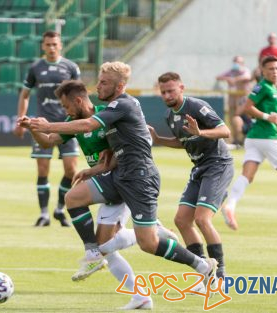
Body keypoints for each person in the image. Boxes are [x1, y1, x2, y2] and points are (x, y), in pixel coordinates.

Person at [28, 62, 218, 309]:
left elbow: (88, 126)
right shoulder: (111, 107)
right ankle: (106, 265)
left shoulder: (122, 104)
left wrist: (47, 125)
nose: (99, 86)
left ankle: (203, 265)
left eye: (104, 82)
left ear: (118, 86)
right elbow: (118, 145)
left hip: (139, 177)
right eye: (99, 80)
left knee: (148, 244)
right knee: (75, 200)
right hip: (120, 176)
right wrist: (96, 167)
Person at [149, 72, 233, 292]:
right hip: (199, 168)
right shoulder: (170, 115)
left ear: (181, 88)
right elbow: (182, 142)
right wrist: (158, 140)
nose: (167, 95)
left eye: (171, 90)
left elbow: (225, 131)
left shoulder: (196, 107)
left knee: (202, 219)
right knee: (182, 220)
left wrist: (201, 132)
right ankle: (206, 273)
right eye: (163, 91)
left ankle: (221, 275)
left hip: (217, 165)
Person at [222, 56, 277, 230]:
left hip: (254, 138)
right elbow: (247, 107)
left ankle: (230, 206)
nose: (275, 72)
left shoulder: (270, 88)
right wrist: (269, 117)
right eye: (270, 69)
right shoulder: (263, 86)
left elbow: (260, 109)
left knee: (247, 175)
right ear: (262, 70)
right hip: (267, 137)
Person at [13, 31, 81, 227]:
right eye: (48, 44)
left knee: (71, 170)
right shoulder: (36, 68)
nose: (51, 48)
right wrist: (20, 120)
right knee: (43, 170)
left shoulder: (71, 67)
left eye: (54, 44)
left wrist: (81, 120)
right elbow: (24, 95)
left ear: (60, 45)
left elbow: (79, 97)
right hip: (42, 125)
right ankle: (44, 214)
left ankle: (59, 208)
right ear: (43, 46)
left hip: (68, 124)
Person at [216, 56, 252, 145]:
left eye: (238, 62)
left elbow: (247, 77)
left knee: (247, 122)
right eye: (235, 61)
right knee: (233, 121)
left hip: (244, 102)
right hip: (232, 101)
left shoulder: (245, 71)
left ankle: (244, 140)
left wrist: (235, 80)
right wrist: (228, 79)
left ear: (242, 63)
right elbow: (218, 77)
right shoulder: (231, 72)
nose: (236, 63)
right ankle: (235, 140)